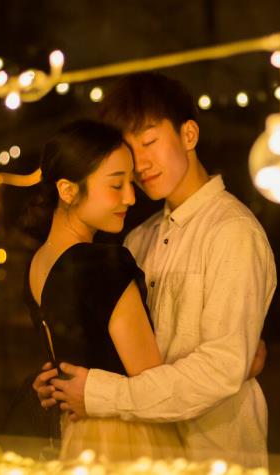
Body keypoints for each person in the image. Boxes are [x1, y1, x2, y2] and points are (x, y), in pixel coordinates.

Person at [34, 72, 277, 468]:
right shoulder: (139, 239)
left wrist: (98, 394)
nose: (140, 163)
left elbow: (219, 370)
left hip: (213, 454)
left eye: (149, 142)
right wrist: (64, 381)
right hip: (144, 454)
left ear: (189, 135)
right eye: (129, 151)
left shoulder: (232, 232)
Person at [24, 119, 183, 461]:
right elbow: (153, 386)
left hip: (77, 436)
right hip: (126, 437)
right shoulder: (101, 264)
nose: (131, 197)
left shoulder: (38, 263)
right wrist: (237, 367)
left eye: (131, 182)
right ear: (67, 190)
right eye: (116, 184)